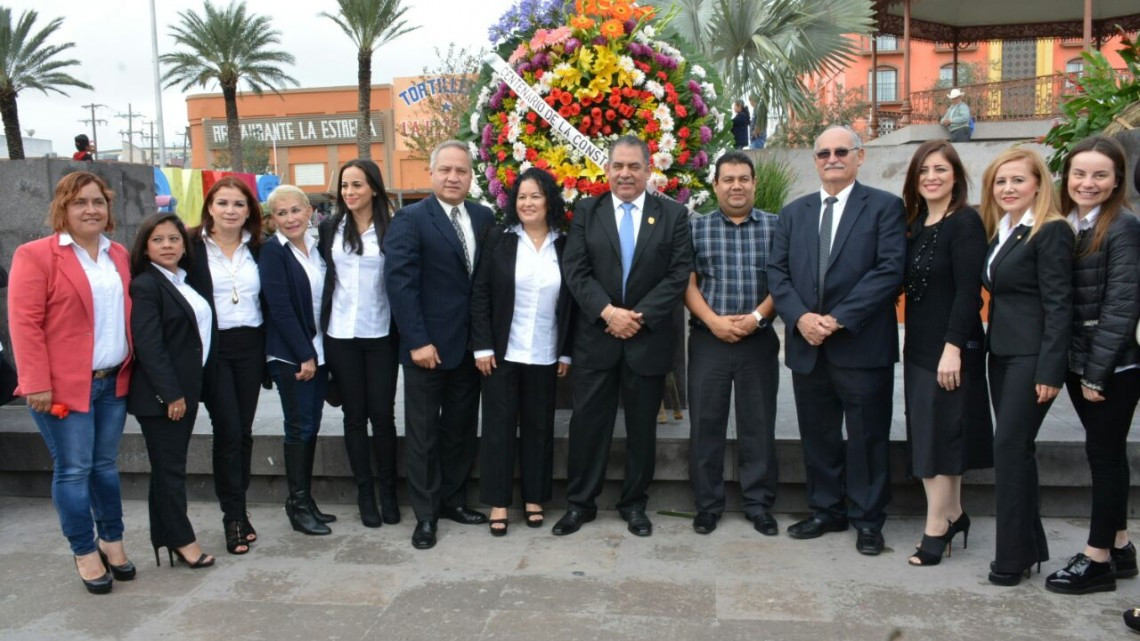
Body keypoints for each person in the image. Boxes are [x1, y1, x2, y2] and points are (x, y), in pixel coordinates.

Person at [767, 125, 906, 556]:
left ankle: (868, 520)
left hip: (862, 345)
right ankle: (826, 510)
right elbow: (777, 273)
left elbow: (889, 270)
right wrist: (800, 317)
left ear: (859, 156)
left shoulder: (884, 207)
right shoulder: (794, 213)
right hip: (808, 345)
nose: (832, 159)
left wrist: (838, 319)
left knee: (867, 437)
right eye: (824, 153)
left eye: (841, 151)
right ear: (815, 161)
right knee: (818, 435)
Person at [554, 135, 693, 538]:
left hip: (646, 340)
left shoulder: (673, 215)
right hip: (597, 338)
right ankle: (580, 504)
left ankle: (634, 503)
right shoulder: (587, 211)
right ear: (607, 169)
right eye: (618, 166)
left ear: (649, 170)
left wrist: (638, 317)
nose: (626, 174)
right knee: (587, 426)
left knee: (642, 430)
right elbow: (575, 269)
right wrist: (609, 313)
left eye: (634, 166)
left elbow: (677, 274)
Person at [8, 171, 135, 594]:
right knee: (74, 469)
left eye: (98, 201)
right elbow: (24, 323)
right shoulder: (36, 255)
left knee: (105, 468)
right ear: (62, 208)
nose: (91, 209)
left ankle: (111, 540)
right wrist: (35, 382)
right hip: (61, 388)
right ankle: (84, 550)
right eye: (80, 202)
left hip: (112, 383)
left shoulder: (118, 254)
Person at [384, 140, 495, 549]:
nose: (453, 177)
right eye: (445, 170)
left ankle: (452, 500)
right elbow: (400, 284)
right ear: (431, 173)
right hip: (426, 350)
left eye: (461, 171)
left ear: (471, 176)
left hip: (470, 349)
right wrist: (417, 341)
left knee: (460, 430)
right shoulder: (410, 218)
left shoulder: (483, 217)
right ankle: (426, 515)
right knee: (424, 435)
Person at [1045, 136, 1140, 595]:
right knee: (1107, 454)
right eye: (1079, 173)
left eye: (1100, 174)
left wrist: (1096, 375)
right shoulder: (1070, 222)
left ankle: (1098, 558)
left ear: (1117, 180)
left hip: (1110, 368)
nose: (1088, 182)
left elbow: (1122, 308)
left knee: (1104, 459)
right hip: (1081, 361)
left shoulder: (1123, 227)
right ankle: (1120, 546)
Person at [979, 148, 1073, 586]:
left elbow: (1059, 304)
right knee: (1018, 451)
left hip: (1031, 358)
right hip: (1001, 355)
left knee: (1009, 449)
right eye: (1000, 181)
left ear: (1038, 184)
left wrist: (1051, 370)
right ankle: (1030, 548)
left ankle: (1012, 559)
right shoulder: (1004, 229)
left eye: (1018, 180)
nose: (1008, 188)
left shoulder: (1050, 230)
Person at [899, 140, 993, 566]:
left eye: (940, 169)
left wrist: (952, 349)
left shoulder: (965, 222)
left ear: (955, 176)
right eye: (923, 171)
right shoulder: (917, 223)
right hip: (919, 345)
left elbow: (968, 292)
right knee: (930, 434)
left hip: (950, 347)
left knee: (939, 438)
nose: (931, 177)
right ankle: (954, 514)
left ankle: (936, 526)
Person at [470, 167, 574, 537]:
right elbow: (480, 293)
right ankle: (498, 502)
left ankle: (534, 498)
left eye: (535, 196)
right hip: (501, 353)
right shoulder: (499, 239)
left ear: (549, 200)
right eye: (522, 197)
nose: (528, 203)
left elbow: (571, 304)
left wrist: (566, 353)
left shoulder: (565, 243)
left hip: (545, 353)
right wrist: (482, 346)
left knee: (539, 428)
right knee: (498, 428)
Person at [685, 151, 780, 536]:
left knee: (758, 423)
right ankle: (708, 505)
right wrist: (714, 322)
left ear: (754, 184)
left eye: (743, 179)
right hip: (709, 339)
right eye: (728, 179)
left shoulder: (777, 227)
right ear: (715, 185)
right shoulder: (696, 228)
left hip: (758, 339)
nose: (736, 186)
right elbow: (688, 283)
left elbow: (784, 281)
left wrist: (756, 317)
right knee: (706, 424)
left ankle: (758, 505)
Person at [127, 213, 216, 569]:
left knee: (166, 469)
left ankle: (164, 536)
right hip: (163, 398)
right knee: (171, 471)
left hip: (185, 391)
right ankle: (182, 540)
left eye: (174, 239)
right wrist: (171, 394)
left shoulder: (182, 280)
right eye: (158, 240)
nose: (167, 245)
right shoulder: (146, 285)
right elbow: (149, 346)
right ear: (145, 247)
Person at [318, 160, 399, 528]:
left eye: (357, 185)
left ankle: (388, 493)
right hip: (340, 335)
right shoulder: (330, 229)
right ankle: (365, 493)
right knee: (353, 417)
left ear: (374, 189)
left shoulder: (393, 229)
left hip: (381, 334)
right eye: (345, 186)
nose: (349, 192)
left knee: (382, 416)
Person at [187, 176, 265, 555]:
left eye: (238, 204)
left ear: (249, 211)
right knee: (228, 430)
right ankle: (232, 516)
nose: (230, 211)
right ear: (209, 208)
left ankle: (240, 507)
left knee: (244, 432)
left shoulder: (260, 248)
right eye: (223, 203)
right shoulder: (190, 246)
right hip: (214, 348)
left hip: (251, 347)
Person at [262, 185, 333, 536]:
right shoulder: (273, 252)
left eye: (295, 210)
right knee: (299, 426)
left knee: (311, 424)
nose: (290, 218)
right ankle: (298, 504)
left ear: (309, 211)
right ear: (273, 219)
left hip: (317, 350)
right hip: (293, 355)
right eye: (281, 213)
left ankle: (305, 500)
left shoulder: (316, 248)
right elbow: (280, 308)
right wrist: (305, 354)